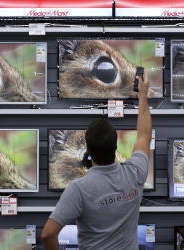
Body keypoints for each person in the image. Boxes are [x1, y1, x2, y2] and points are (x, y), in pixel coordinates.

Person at [41, 72, 152, 250]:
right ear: (116, 148)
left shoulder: (78, 190)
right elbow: (145, 135)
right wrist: (143, 96)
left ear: (88, 150)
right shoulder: (135, 173)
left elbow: (47, 235)